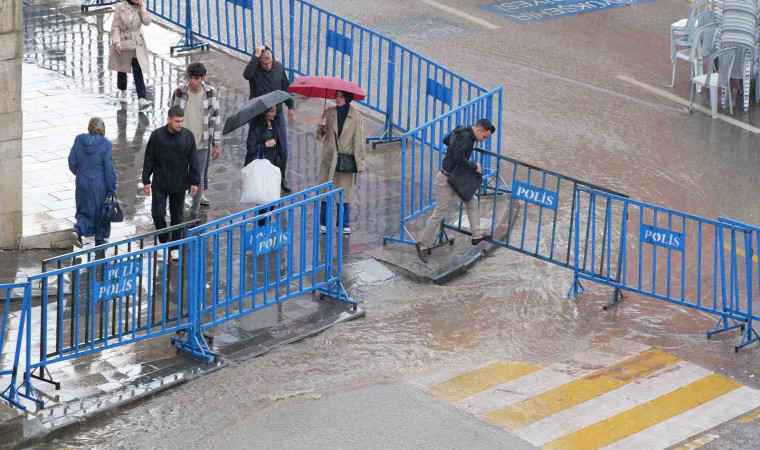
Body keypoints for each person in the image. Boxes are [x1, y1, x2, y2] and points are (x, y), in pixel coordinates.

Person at [415, 118, 496, 263]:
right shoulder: (466, 137)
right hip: (446, 180)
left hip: (455, 178)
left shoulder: (461, 128)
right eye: (484, 137)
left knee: (471, 200)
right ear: (478, 130)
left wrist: (453, 149)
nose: (484, 140)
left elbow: (446, 139)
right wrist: (474, 166)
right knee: (439, 213)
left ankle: (476, 236)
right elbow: (459, 157)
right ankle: (422, 245)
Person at [142, 106, 201, 260]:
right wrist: (146, 180)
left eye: (181, 121)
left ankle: (175, 246)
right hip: (160, 182)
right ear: (169, 119)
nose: (179, 124)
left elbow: (193, 160)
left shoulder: (188, 136)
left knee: (177, 216)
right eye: (176, 121)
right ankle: (163, 241)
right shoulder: (157, 136)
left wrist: (194, 181)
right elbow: (149, 158)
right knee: (157, 213)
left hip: (179, 183)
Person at [170, 62, 221, 219]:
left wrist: (216, 143)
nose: (193, 82)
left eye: (196, 78)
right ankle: (176, 210)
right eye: (191, 78)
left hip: (202, 143)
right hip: (180, 144)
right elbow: (171, 116)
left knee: (197, 179)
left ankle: (194, 212)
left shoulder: (211, 93)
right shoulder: (179, 92)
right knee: (178, 176)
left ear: (203, 78)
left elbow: (216, 119)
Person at [243, 45, 295, 193]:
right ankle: (253, 177)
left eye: (270, 62)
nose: (268, 66)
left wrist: (290, 105)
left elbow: (285, 87)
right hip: (258, 115)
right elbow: (247, 74)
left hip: (276, 113)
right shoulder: (255, 70)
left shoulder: (278, 67)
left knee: (283, 149)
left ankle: (281, 177)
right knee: (256, 147)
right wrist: (256, 55)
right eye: (265, 64)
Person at [315, 90, 366, 234]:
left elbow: (358, 140)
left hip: (345, 159)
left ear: (348, 98)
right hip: (329, 158)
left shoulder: (355, 116)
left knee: (344, 193)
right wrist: (321, 126)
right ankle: (324, 223)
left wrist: (360, 163)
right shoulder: (329, 112)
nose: (337, 99)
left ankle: (344, 224)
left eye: (341, 96)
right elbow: (319, 137)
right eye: (336, 96)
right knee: (325, 191)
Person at [68, 117, 117, 248]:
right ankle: (100, 240)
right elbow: (108, 168)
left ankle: (78, 230)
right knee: (101, 212)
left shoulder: (79, 139)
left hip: (82, 181)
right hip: (99, 183)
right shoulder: (105, 144)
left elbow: (72, 161)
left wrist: (80, 174)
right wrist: (112, 188)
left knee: (83, 209)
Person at [109, 0, 152, 110]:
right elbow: (115, 27)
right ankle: (123, 89)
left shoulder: (140, 7)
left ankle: (142, 99)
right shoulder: (120, 7)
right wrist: (117, 41)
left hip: (137, 43)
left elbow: (147, 22)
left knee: (138, 69)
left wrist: (142, 9)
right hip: (124, 41)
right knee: (123, 68)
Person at [245, 105, 284, 226]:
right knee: (263, 201)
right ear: (264, 113)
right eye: (271, 111)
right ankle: (261, 226)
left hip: (273, 167)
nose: (274, 114)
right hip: (261, 170)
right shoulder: (256, 128)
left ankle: (265, 221)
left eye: (275, 111)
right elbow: (250, 148)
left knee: (272, 199)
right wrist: (265, 145)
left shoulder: (275, 124)